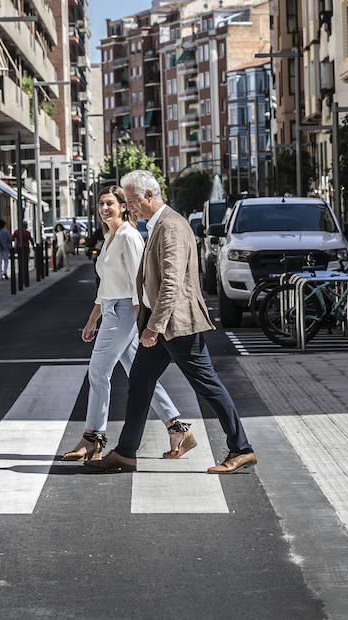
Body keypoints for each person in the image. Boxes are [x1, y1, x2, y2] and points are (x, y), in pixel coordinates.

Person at [85, 170, 255, 475]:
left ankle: (242, 449)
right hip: (159, 323)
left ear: (150, 195)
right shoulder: (158, 225)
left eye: (133, 200)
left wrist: (153, 327)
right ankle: (126, 453)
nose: (130, 206)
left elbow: (172, 283)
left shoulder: (171, 226)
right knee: (139, 382)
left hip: (177, 325)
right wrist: (148, 321)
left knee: (207, 385)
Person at [63, 186, 195, 461]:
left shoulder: (129, 236)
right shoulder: (110, 237)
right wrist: (92, 320)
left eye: (110, 203)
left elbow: (141, 281)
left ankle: (92, 438)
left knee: (98, 372)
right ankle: (176, 427)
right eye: (101, 204)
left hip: (126, 311)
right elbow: (106, 287)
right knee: (140, 375)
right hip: (111, 309)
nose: (104, 208)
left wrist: (142, 319)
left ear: (124, 207)